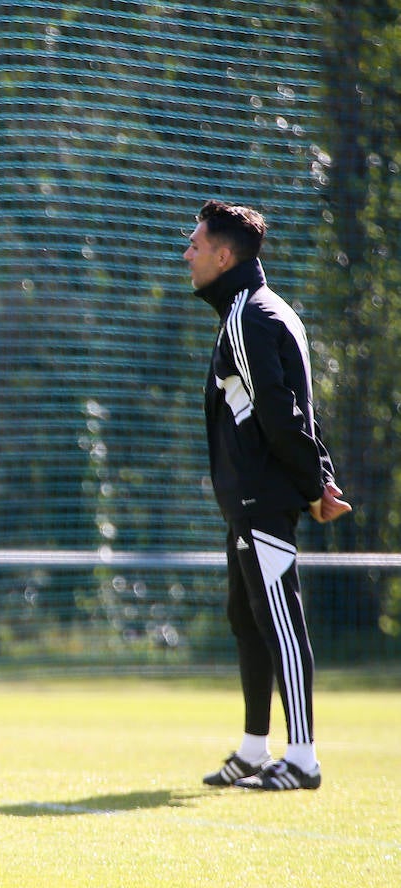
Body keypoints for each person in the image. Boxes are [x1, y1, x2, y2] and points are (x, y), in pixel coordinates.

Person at [185, 199, 351, 792]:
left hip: (263, 499)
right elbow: (297, 409)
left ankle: (302, 757)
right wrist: (321, 474)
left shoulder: (248, 317)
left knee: (281, 622)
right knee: (248, 618)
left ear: (224, 256)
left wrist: (312, 486)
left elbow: (282, 417)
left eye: (196, 246)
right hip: (250, 502)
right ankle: (256, 748)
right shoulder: (264, 308)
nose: (188, 254)